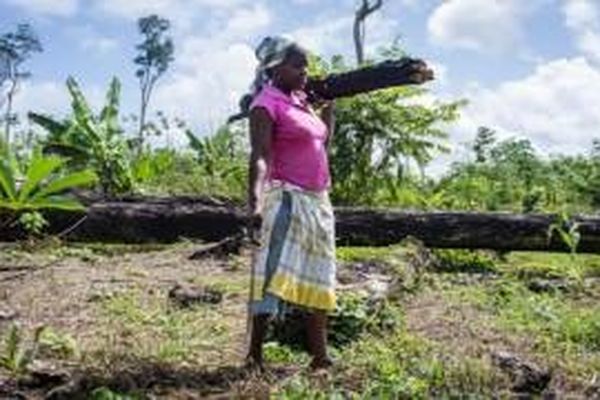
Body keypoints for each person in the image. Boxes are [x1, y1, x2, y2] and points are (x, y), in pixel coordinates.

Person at [245, 36, 336, 372]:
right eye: (297, 65)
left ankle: (320, 357)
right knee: (270, 276)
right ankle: (254, 356)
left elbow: (321, 144)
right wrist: (255, 202)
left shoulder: (303, 101)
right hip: (287, 199)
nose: (305, 71)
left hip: (318, 202)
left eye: (306, 64)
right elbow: (260, 158)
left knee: (321, 275)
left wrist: (329, 111)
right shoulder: (265, 104)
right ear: (274, 67)